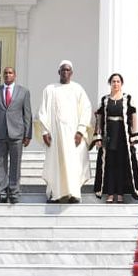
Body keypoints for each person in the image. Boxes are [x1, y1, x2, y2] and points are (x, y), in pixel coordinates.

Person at [37, 60, 93, 204]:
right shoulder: (50, 89)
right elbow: (43, 112)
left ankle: (73, 194)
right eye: (63, 70)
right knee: (56, 163)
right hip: (55, 135)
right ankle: (56, 194)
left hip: (73, 135)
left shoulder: (78, 89)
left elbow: (86, 110)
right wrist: (45, 131)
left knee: (74, 163)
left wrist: (80, 131)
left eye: (68, 70)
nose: (65, 72)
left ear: (72, 73)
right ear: (58, 72)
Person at [0, 67, 32, 204]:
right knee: (0, 164)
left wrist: (28, 134)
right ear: (2, 76)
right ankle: (2, 193)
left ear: (15, 75)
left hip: (17, 134)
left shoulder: (24, 92)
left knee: (15, 164)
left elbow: (27, 114)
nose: (7, 75)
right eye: (5, 73)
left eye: (10, 73)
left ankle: (14, 192)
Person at [94, 73, 138, 203]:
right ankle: (110, 194)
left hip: (123, 137)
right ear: (110, 83)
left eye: (118, 81)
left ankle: (120, 194)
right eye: (113, 81)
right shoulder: (104, 100)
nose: (116, 84)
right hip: (109, 136)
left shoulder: (127, 99)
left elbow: (133, 117)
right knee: (109, 165)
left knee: (121, 165)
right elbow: (99, 119)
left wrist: (134, 137)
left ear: (121, 83)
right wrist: (98, 137)